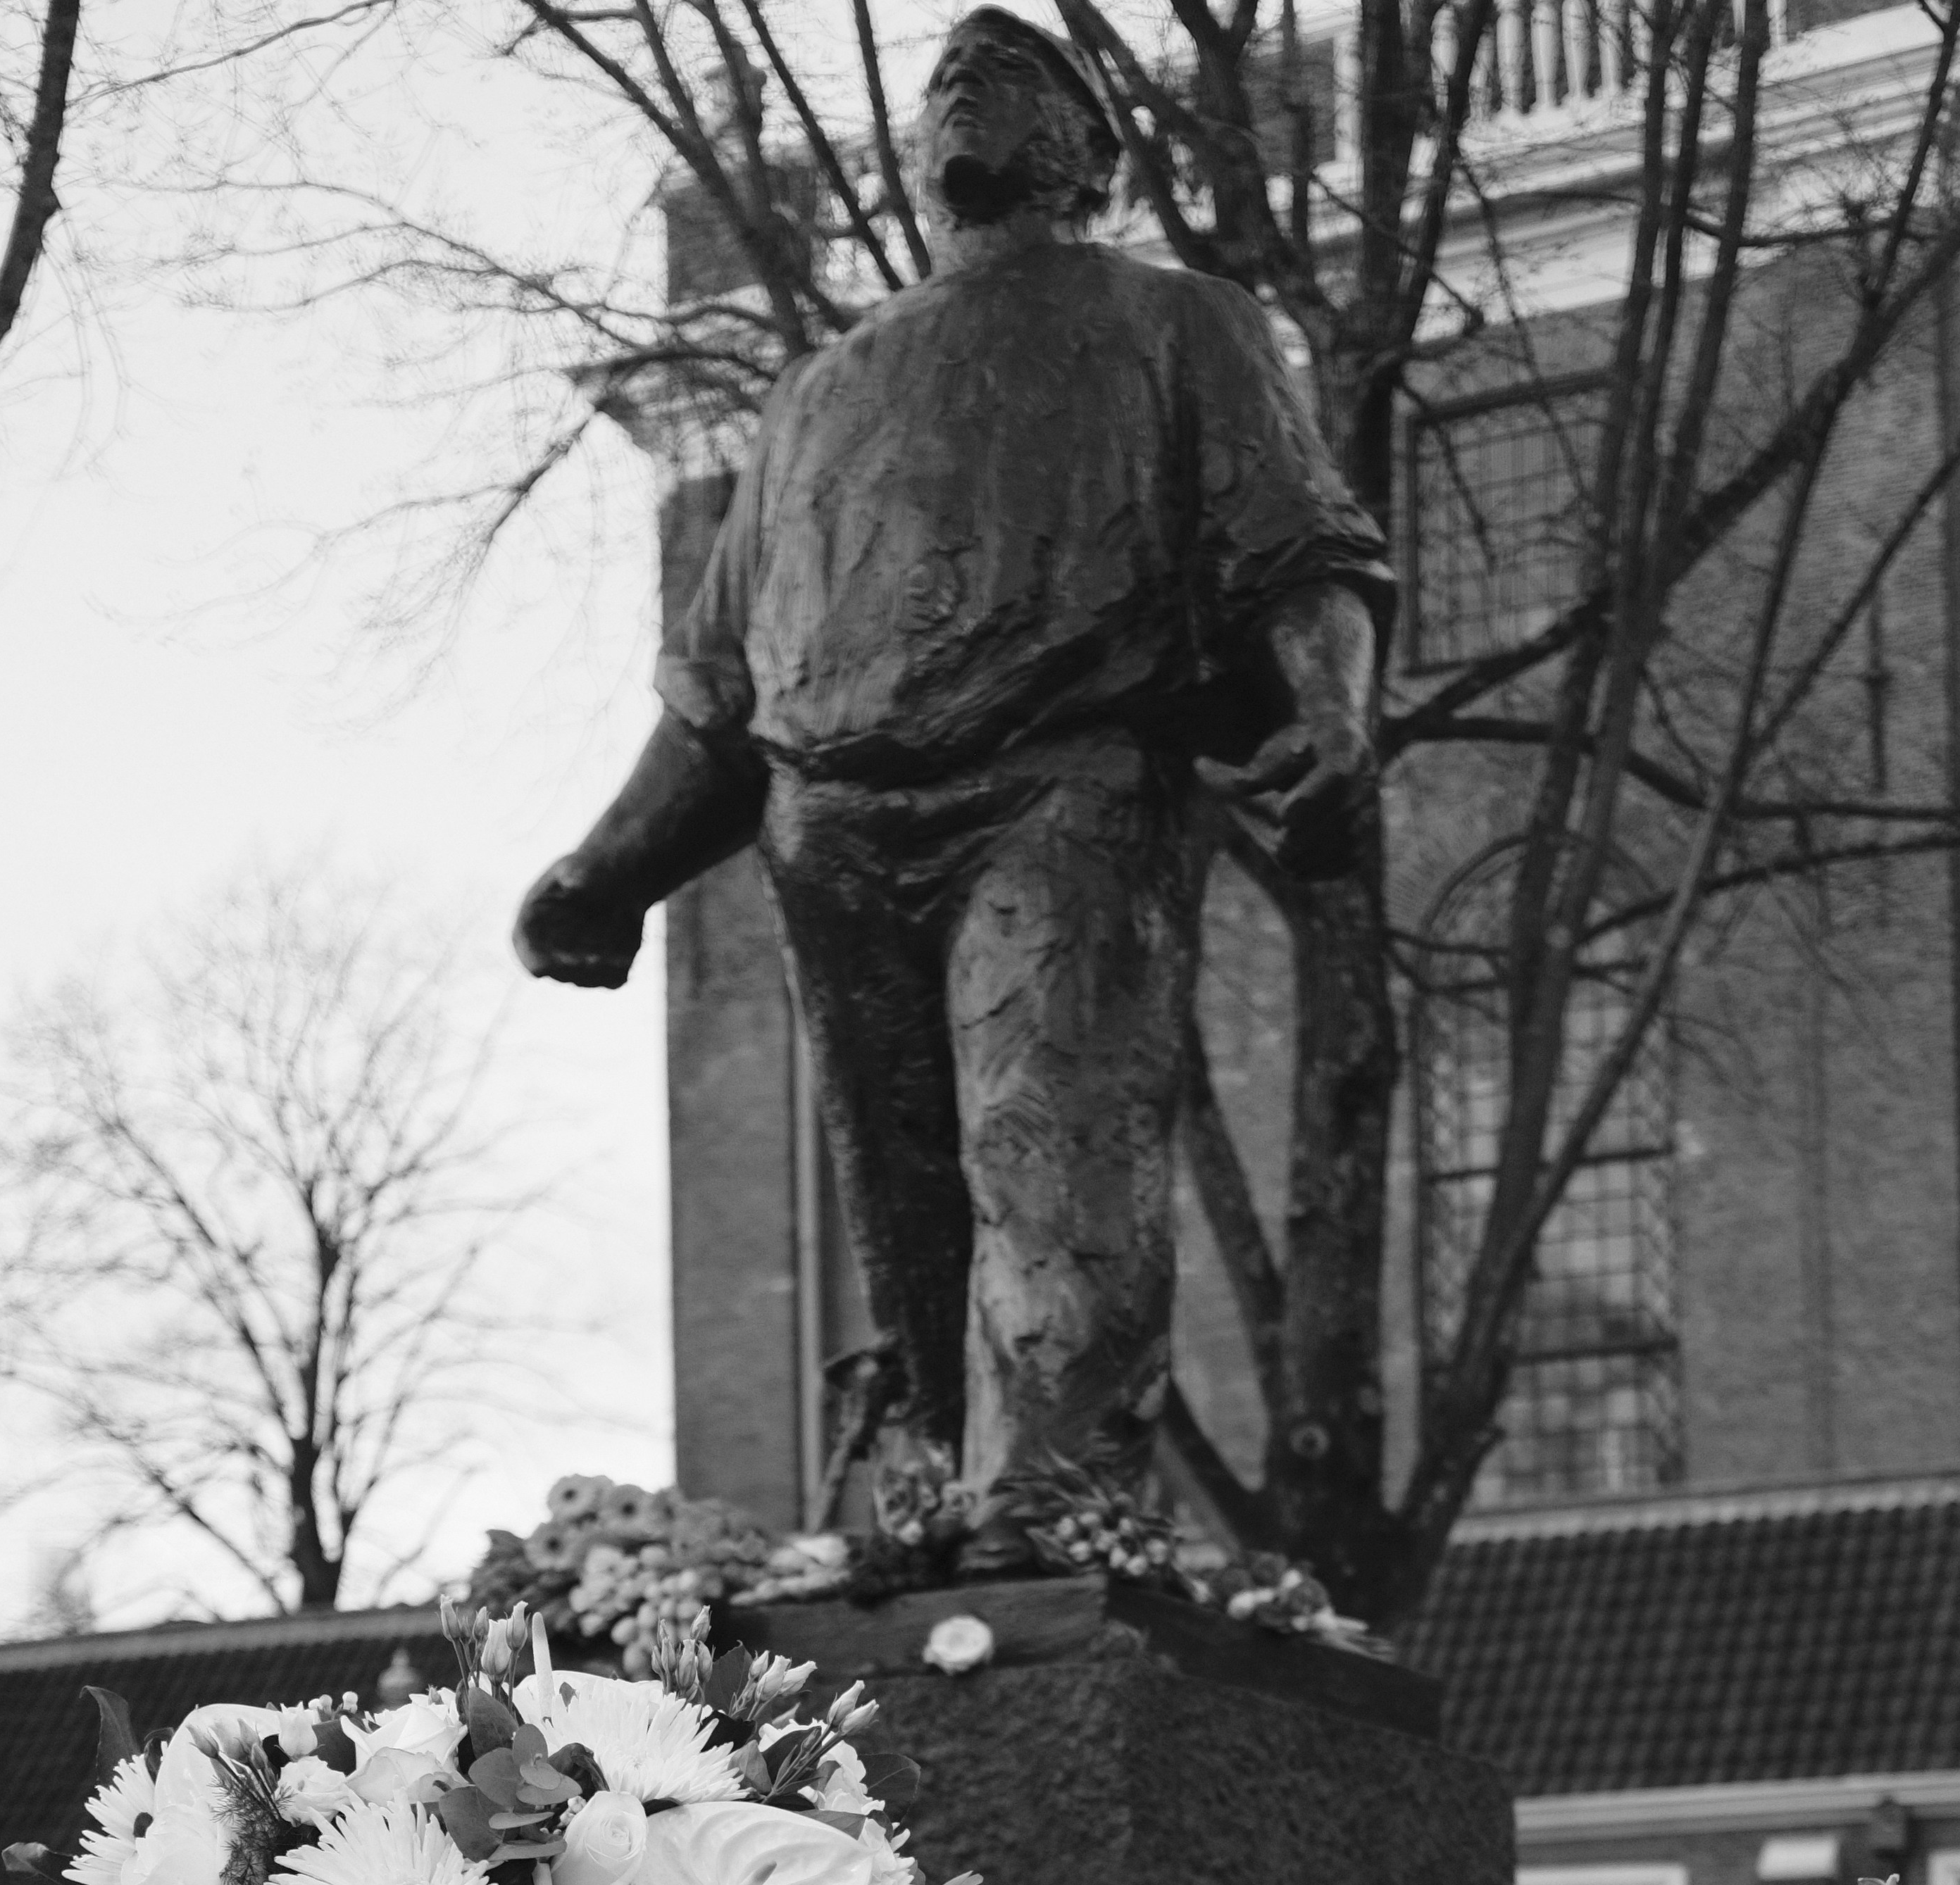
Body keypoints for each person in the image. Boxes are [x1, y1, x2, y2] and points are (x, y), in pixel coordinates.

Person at [516, 11, 1390, 1510]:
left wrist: (1330, 705)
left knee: (1049, 1161)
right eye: (944, 81)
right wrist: (606, 871)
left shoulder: (1184, 323)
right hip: (833, 828)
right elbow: (723, 694)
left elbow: (1299, 546)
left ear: (1091, 153)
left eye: (1013, 74)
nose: (964, 88)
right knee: (906, 1219)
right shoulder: (813, 396)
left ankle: (1049, 1516)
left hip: (1060, 788)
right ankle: (934, 1509)